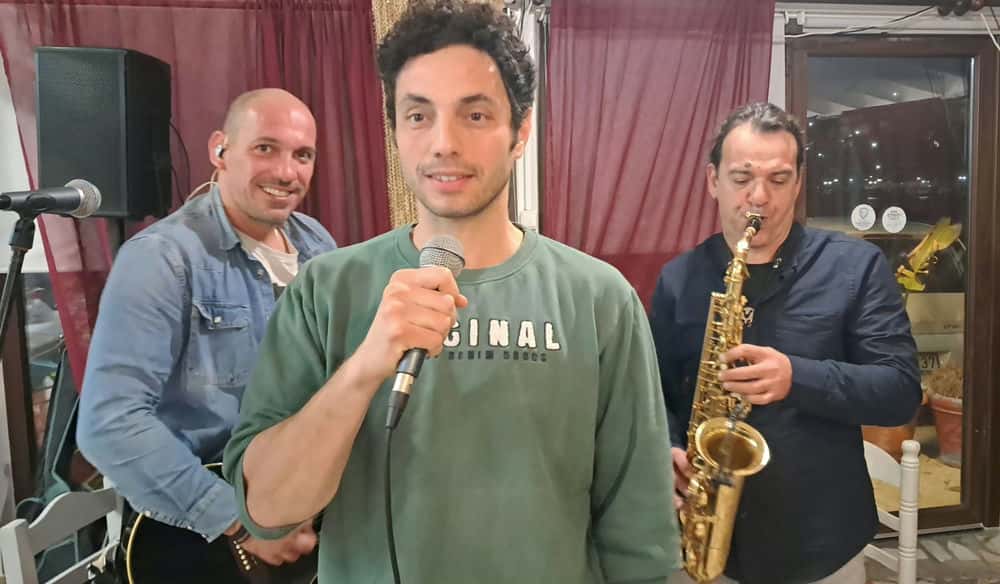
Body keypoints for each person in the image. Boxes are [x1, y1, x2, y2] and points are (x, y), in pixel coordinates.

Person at [222, 1, 680, 582]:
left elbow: (640, 536)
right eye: (418, 115)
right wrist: (365, 366)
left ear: (521, 131)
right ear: (395, 131)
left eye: (476, 115)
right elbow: (268, 511)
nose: (443, 143)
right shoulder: (326, 289)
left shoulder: (598, 299)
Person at [650, 102, 922, 584]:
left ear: (798, 184)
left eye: (778, 179)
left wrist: (798, 378)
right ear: (713, 180)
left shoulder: (855, 268)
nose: (759, 197)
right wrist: (668, 447)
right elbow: (655, 393)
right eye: (741, 178)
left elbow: (899, 391)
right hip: (702, 538)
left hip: (821, 545)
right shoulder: (678, 279)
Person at [77, 88, 336, 565]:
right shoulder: (161, 259)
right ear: (220, 149)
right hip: (208, 540)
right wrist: (238, 520)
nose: (287, 172)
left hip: (307, 503)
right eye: (265, 148)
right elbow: (109, 423)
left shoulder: (317, 244)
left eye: (303, 155)